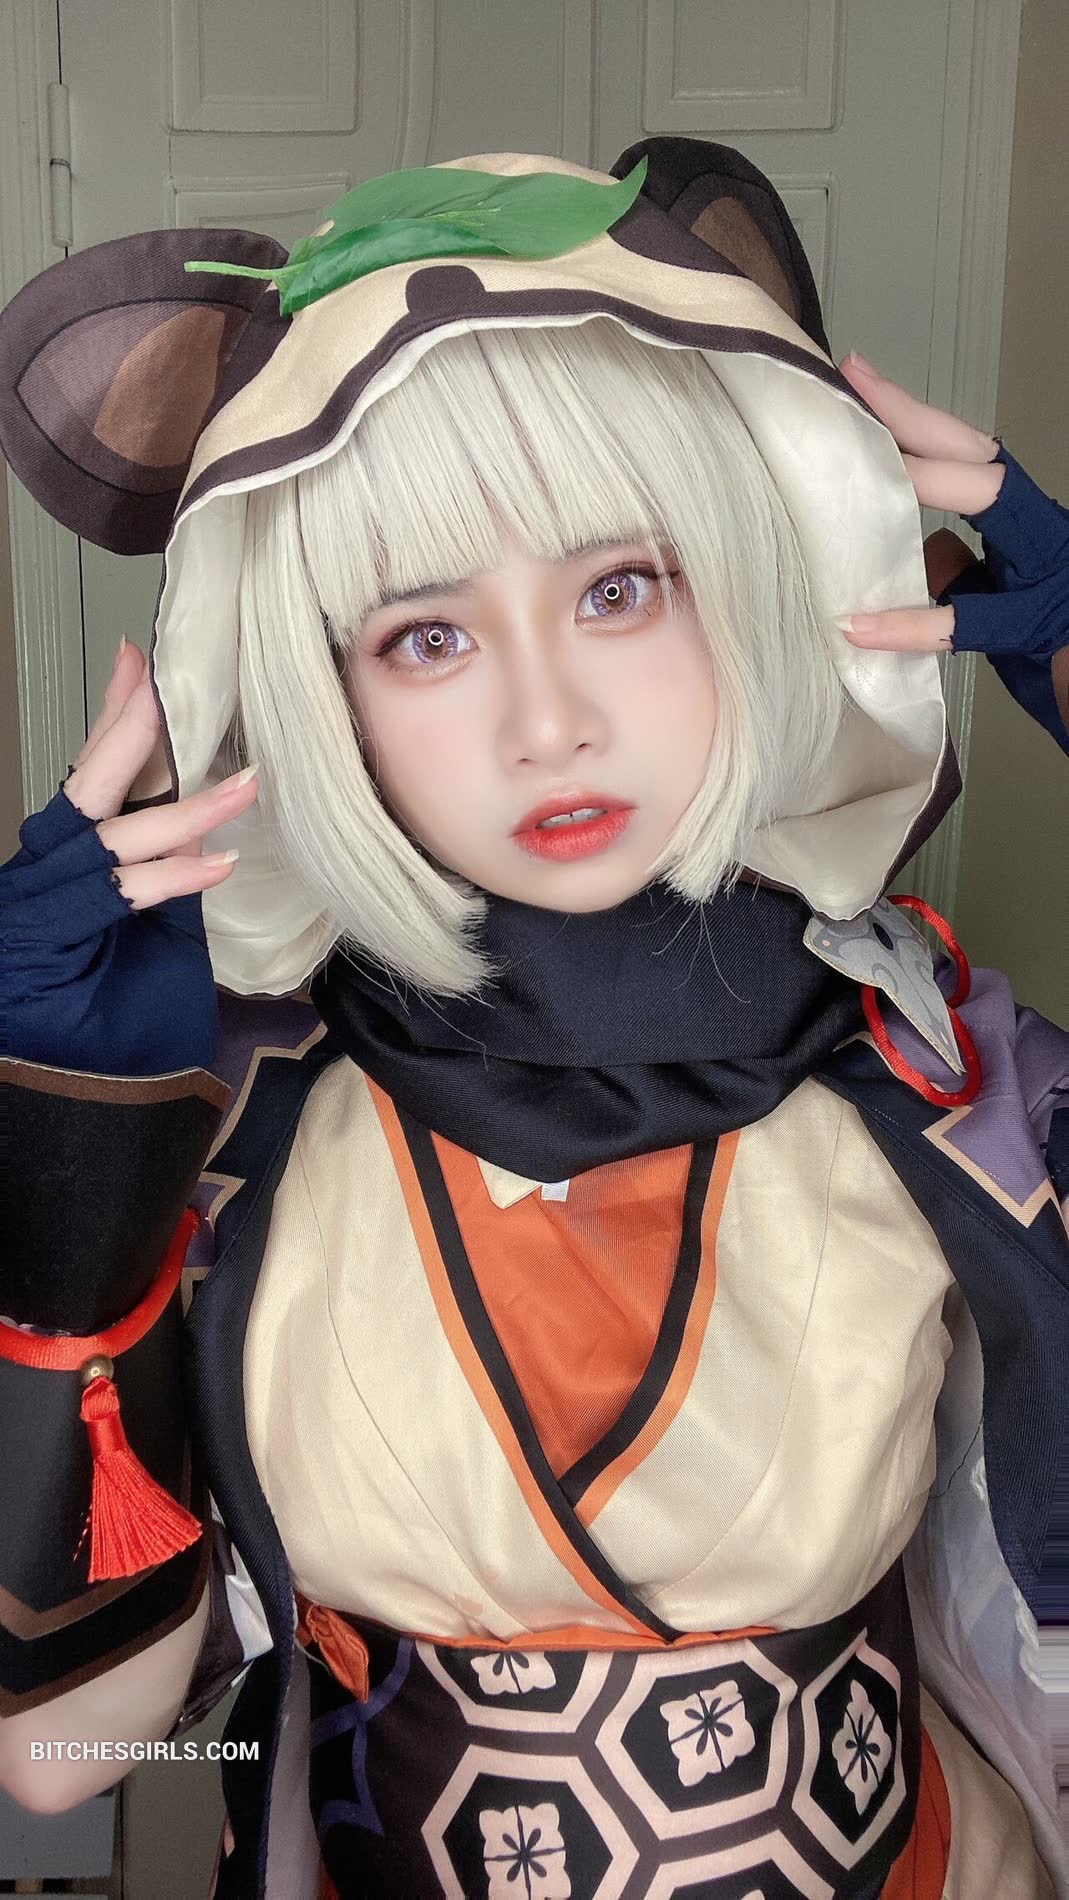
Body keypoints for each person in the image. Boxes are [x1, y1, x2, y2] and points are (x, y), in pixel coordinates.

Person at [0, 139, 1066, 1900]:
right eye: (425, 638)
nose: (547, 720)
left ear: (743, 586)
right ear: (321, 691)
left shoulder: (943, 1069)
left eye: (618, 588)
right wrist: (63, 1153)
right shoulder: (244, 1121)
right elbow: (65, 1762)